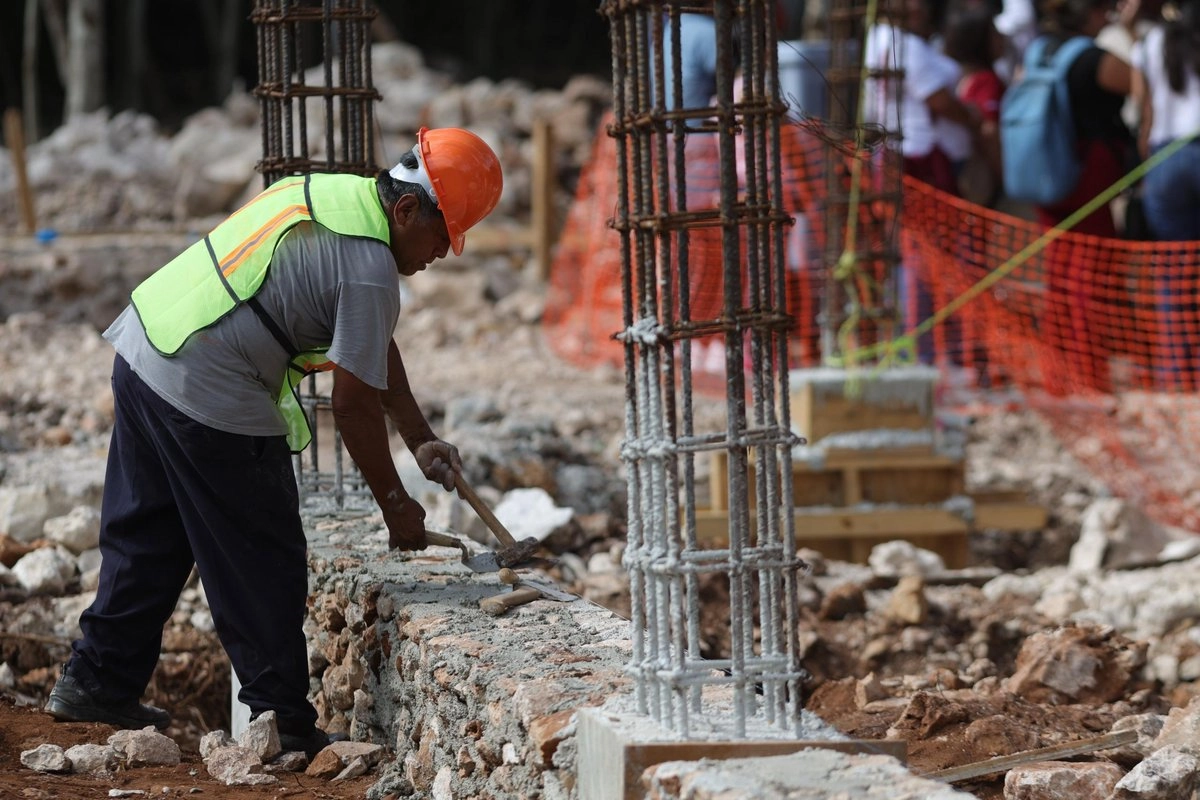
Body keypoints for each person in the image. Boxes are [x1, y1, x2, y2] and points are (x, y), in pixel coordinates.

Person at [42, 127, 504, 757]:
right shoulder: (371, 268)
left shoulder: (336, 196)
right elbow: (353, 403)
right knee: (261, 554)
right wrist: (396, 506)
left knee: (149, 533)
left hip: (149, 347)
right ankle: (282, 725)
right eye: (441, 237)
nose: (442, 255)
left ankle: (95, 681)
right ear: (405, 210)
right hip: (208, 386)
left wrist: (420, 437)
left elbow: (369, 344)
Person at [1131, 0, 1200, 387]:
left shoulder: (1151, 41)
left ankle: (1176, 372)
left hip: (1165, 155)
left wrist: (1149, 168)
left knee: (1174, 270)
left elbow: (1146, 114)